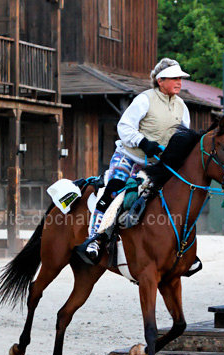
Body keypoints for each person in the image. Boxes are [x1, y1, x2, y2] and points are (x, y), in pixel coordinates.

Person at [79, 58, 191, 263]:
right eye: (175, 78)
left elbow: (183, 138)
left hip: (158, 165)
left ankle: (183, 250)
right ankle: (95, 239)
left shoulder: (182, 106)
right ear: (160, 80)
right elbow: (124, 127)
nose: (179, 82)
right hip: (129, 157)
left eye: (180, 78)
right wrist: (143, 142)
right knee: (114, 189)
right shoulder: (144, 99)